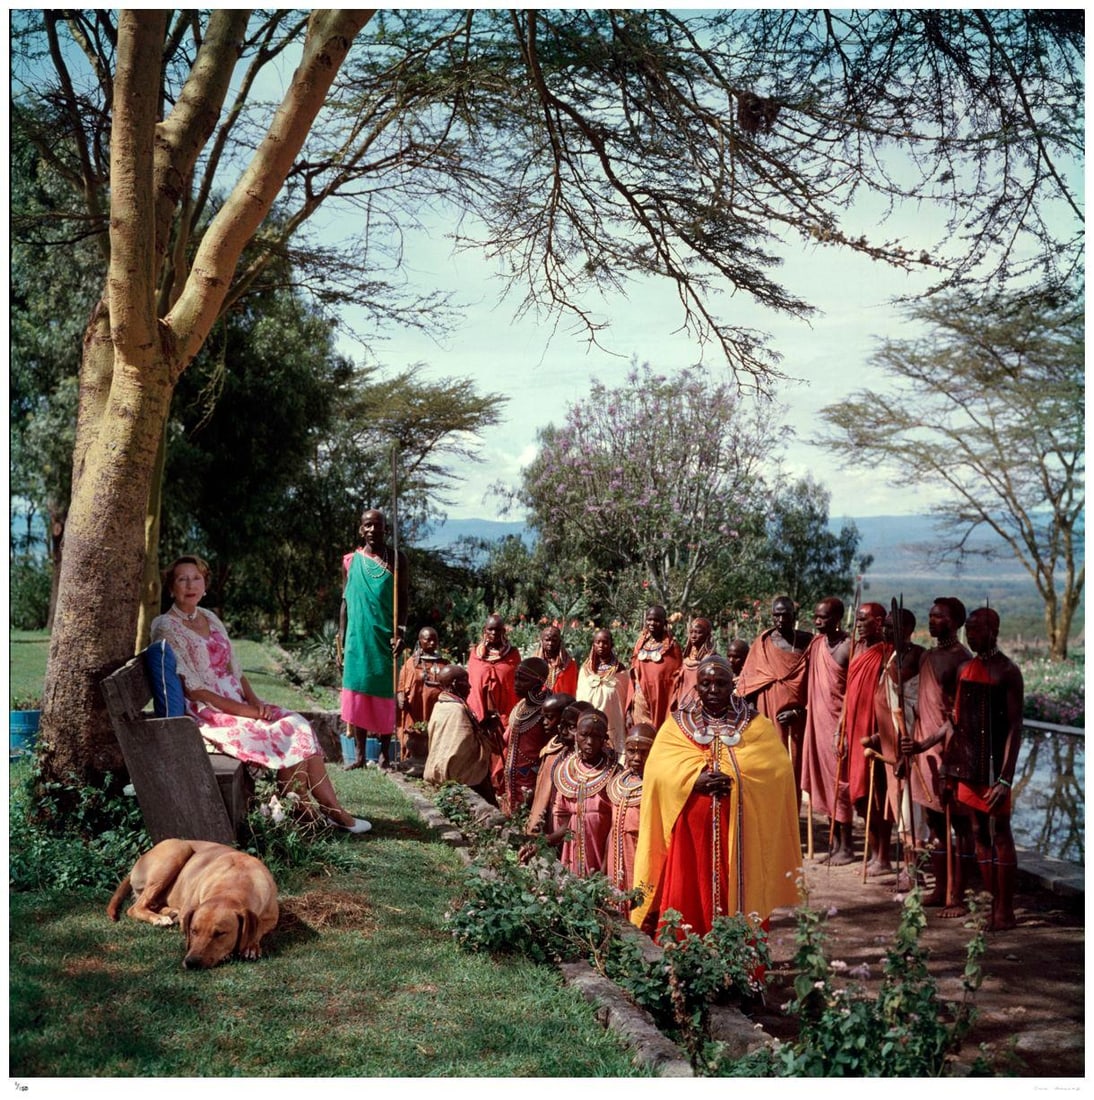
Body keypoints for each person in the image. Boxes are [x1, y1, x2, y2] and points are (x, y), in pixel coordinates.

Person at [151, 556, 371, 833]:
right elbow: (193, 688)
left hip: (239, 702)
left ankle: (317, 807)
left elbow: (236, 670)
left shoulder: (210, 617)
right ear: (171, 588)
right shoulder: (166, 626)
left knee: (296, 723)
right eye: (182, 579)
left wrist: (255, 702)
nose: (190, 585)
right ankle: (313, 809)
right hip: (209, 711)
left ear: (205, 585)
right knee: (282, 731)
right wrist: (248, 713)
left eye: (196, 578)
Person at [631, 655, 800, 942]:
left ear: (732, 686)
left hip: (739, 834)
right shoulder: (677, 725)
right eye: (705, 683)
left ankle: (741, 965)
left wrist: (736, 778)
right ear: (695, 688)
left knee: (736, 889)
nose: (712, 689)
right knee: (688, 891)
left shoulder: (755, 725)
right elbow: (657, 772)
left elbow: (778, 770)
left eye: (720, 684)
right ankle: (686, 960)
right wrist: (693, 778)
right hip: (689, 837)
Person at [942, 608, 1024, 931]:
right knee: (977, 831)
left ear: (994, 630)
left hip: (994, 770)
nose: (970, 635)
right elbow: (958, 724)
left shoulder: (1007, 672)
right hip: (968, 765)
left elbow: (1015, 729)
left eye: (976, 630)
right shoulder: (964, 669)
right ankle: (991, 904)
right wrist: (950, 769)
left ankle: (1005, 911)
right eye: (969, 630)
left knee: (1000, 832)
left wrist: (1005, 777)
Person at [897, 597, 972, 914]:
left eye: (939, 616)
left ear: (955, 622)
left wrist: (926, 744)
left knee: (961, 825)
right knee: (934, 822)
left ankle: (959, 893)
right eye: (930, 616)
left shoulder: (962, 660)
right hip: (923, 750)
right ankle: (941, 887)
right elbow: (914, 697)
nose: (932, 621)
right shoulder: (928, 656)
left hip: (949, 750)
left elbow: (957, 716)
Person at [339, 508, 408, 771]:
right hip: (357, 638)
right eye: (367, 525)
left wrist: (400, 631)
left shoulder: (397, 560)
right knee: (357, 692)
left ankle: (384, 755)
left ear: (385, 529)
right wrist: (341, 639)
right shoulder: (350, 561)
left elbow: (403, 598)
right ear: (360, 530)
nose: (372, 530)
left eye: (377, 526)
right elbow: (345, 602)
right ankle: (358, 756)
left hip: (385, 638)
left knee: (383, 693)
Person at [735, 595, 812, 801]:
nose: (780, 620)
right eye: (776, 615)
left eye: (785, 615)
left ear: (794, 616)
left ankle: (789, 823)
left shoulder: (807, 643)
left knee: (791, 768)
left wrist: (798, 712)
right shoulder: (762, 643)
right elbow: (747, 686)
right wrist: (754, 719)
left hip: (795, 722)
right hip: (765, 717)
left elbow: (815, 686)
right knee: (765, 768)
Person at [799, 598, 853, 862]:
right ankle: (834, 843)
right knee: (824, 782)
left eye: (824, 617)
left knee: (840, 783)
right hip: (818, 723)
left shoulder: (848, 647)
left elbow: (854, 692)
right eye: (816, 617)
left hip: (838, 725)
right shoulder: (817, 645)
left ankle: (847, 846)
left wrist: (843, 723)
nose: (818, 621)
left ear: (838, 618)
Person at [837, 602, 889, 872]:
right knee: (860, 796)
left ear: (878, 622)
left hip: (874, 733)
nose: (858, 624)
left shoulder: (887, 652)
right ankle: (873, 854)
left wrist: (882, 733)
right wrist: (841, 726)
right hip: (854, 729)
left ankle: (883, 857)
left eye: (863, 619)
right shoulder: (857, 648)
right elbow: (849, 689)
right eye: (857, 619)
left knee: (877, 793)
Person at [546, 709, 619, 877]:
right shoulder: (567, 771)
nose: (589, 742)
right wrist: (543, 842)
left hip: (603, 854)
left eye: (596, 737)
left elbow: (616, 827)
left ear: (604, 739)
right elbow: (569, 822)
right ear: (576, 735)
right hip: (571, 855)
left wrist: (604, 868)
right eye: (584, 735)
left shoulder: (614, 773)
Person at [423, 664, 496, 803]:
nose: (470, 686)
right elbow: (464, 749)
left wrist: (482, 726)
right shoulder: (456, 710)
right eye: (466, 681)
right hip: (460, 776)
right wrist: (487, 732)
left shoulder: (440, 705)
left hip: (440, 772)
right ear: (455, 684)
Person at [605, 723, 655, 909]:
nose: (636, 758)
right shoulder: (618, 781)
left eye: (643, 752)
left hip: (640, 856)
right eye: (631, 751)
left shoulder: (658, 785)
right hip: (615, 855)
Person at [499, 657, 551, 816]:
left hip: (533, 780)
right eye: (516, 678)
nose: (516, 684)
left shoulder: (548, 711)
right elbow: (507, 740)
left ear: (538, 682)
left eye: (523, 680)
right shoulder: (520, 706)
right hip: (513, 780)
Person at [524, 692, 577, 836]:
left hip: (558, 819)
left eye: (550, 717)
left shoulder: (572, 755)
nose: (545, 722)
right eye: (544, 717)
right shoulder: (551, 745)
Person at [396, 626, 448, 760]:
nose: (432, 643)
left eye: (434, 640)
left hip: (436, 712)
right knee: (415, 737)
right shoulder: (411, 663)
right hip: (415, 711)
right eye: (428, 640)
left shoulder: (444, 663)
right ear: (420, 641)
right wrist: (400, 697)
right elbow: (401, 686)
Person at [576, 628, 630, 758]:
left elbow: (624, 697)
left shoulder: (621, 671)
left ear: (611, 644)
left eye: (605, 642)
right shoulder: (585, 670)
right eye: (597, 642)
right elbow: (580, 696)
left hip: (612, 717)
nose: (601, 646)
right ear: (593, 644)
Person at [629, 605, 683, 731]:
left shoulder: (672, 647)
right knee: (641, 735)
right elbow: (634, 674)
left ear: (664, 622)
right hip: (640, 701)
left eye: (657, 620)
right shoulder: (640, 643)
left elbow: (676, 680)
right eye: (649, 619)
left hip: (662, 699)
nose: (652, 623)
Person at [670, 616, 717, 711]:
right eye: (691, 632)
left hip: (700, 706)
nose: (693, 636)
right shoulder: (686, 658)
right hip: (682, 702)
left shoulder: (712, 660)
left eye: (698, 632)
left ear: (707, 635)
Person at [529, 624, 578, 696]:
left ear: (560, 641)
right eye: (547, 640)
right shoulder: (533, 663)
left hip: (561, 704)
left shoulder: (569, 665)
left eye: (554, 640)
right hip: (538, 704)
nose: (550, 643)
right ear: (542, 641)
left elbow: (571, 690)